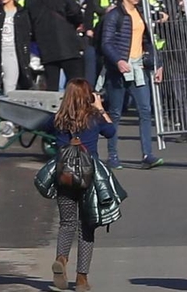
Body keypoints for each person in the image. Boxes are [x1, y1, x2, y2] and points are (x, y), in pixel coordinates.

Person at [50, 79, 117, 292]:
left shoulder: (59, 119)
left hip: (65, 175)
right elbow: (111, 131)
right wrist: (100, 107)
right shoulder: (94, 118)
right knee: (86, 227)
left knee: (66, 222)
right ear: (89, 96)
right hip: (89, 177)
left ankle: (61, 259)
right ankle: (81, 279)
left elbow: (46, 128)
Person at [100, 0, 164, 170]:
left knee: (145, 110)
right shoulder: (114, 16)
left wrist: (157, 64)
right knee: (116, 113)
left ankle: (147, 155)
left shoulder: (140, 13)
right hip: (119, 71)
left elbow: (148, 41)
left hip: (138, 68)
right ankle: (112, 155)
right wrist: (118, 61)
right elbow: (106, 43)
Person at [24, 0, 86, 88]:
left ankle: (52, 108)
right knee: (77, 84)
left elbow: (29, 20)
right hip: (67, 43)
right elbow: (76, 13)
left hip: (45, 45)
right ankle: (77, 107)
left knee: (51, 85)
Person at [0, 0, 33, 93]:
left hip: (12, 51)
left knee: (10, 83)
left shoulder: (21, 13)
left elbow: (26, 33)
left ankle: (7, 106)